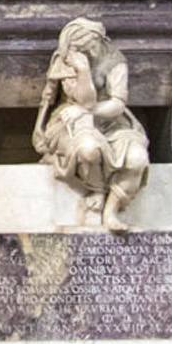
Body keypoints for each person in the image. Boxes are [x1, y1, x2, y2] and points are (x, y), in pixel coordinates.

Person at [34, 18, 149, 233]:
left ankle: (111, 210)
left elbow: (116, 104)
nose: (88, 52)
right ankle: (96, 191)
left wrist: (89, 110)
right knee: (88, 150)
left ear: (97, 40)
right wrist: (84, 72)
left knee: (137, 158)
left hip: (112, 121)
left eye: (90, 46)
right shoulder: (68, 57)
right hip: (72, 120)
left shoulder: (115, 61)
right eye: (82, 49)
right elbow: (82, 101)